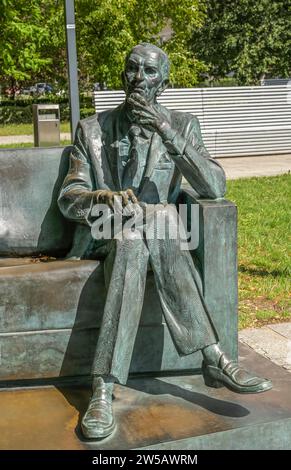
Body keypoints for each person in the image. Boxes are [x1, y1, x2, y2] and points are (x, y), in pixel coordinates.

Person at [58, 43, 272, 440]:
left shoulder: (184, 124)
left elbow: (215, 186)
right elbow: (69, 197)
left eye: (150, 72)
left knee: (145, 232)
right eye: (132, 69)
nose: (139, 78)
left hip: (150, 237)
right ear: (123, 75)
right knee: (145, 226)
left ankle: (103, 387)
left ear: (164, 82)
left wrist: (165, 130)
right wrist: (100, 197)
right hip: (107, 227)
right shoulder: (92, 129)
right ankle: (214, 356)